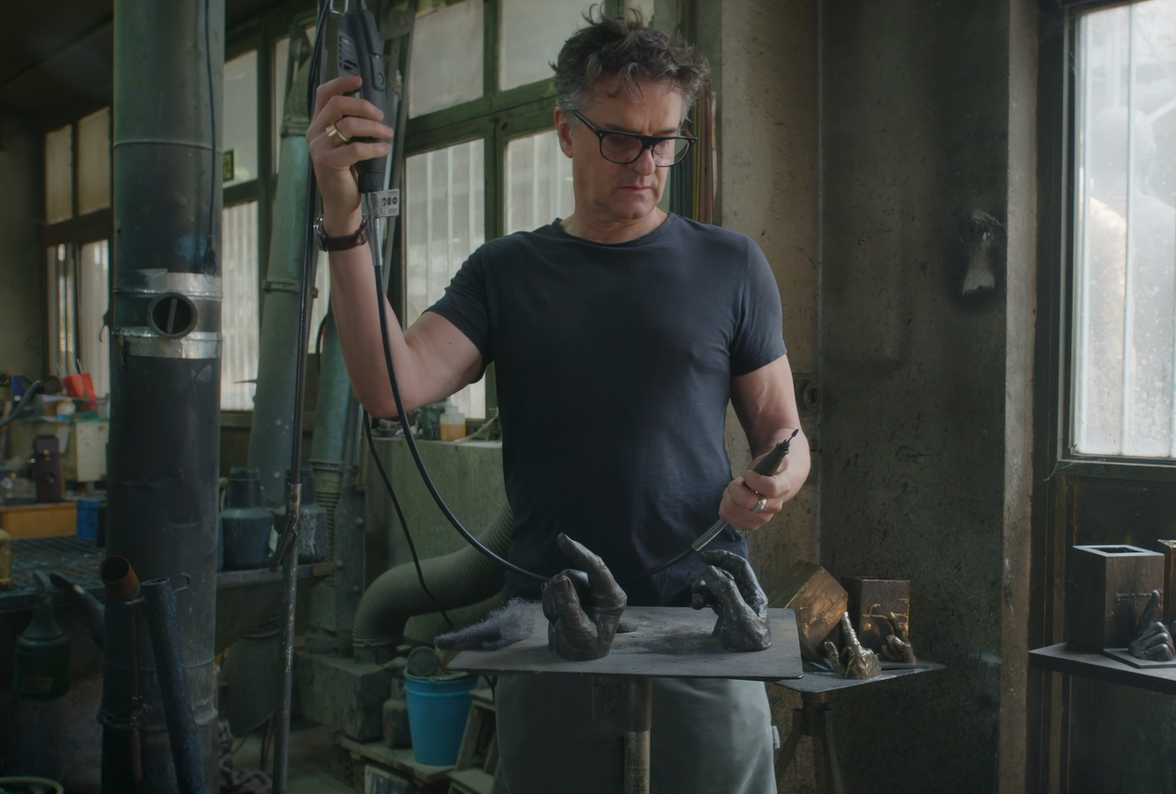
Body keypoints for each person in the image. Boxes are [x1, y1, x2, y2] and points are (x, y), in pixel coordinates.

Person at [308, 12, 808, 794]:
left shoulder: (730, 264)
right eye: (620, 138)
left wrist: (778, 479)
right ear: (565, 131)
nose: (646, 163)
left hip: (704, 628)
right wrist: (343, 212)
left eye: (665, 140)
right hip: (552, 630)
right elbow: (388, 385)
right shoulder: (507, 272)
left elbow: (784, 430)